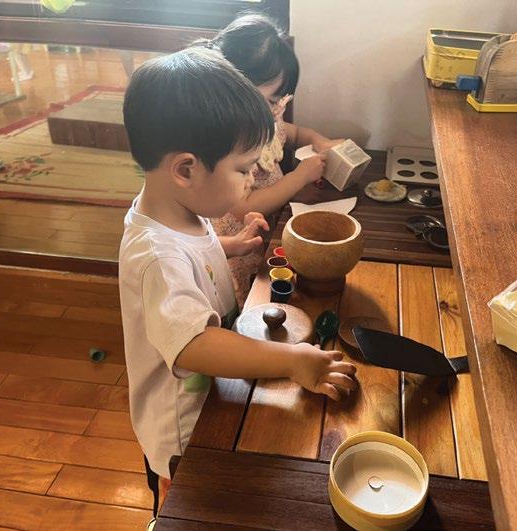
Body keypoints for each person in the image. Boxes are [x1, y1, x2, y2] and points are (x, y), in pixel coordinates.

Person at [119, 47, 357, 525]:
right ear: (186, 169)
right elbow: (194, 344)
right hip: (185, 434)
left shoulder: (180, 211)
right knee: (196, 511)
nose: (251, 180)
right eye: (243, 169)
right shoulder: (156, 257)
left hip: (216, 396)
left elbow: (193, 254)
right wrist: (291, 361)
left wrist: (228, 244)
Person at [194, 14, 345, 306]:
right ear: (234, 87)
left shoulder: (266, 119)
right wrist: (299, 177)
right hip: (237, 246)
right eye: (272, 100)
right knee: (245, 301)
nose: (278, 110)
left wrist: (319, 141)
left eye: (281, 100)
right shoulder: (227, 140)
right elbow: (243, 206)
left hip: (265, 234)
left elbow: (293, 132)